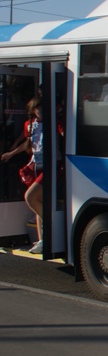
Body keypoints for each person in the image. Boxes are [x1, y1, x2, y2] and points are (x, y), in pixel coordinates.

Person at [2, 97, 44, 253]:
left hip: (51, 167)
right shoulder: (30, 125)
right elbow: (28, 143)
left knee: (31, 197)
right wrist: (11, 153)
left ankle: (50, 228)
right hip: (36, 166)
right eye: (38, 108)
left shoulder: (55, 122)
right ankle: (42, 240)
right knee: (38, 201)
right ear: (33, 110)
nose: (41, 110)